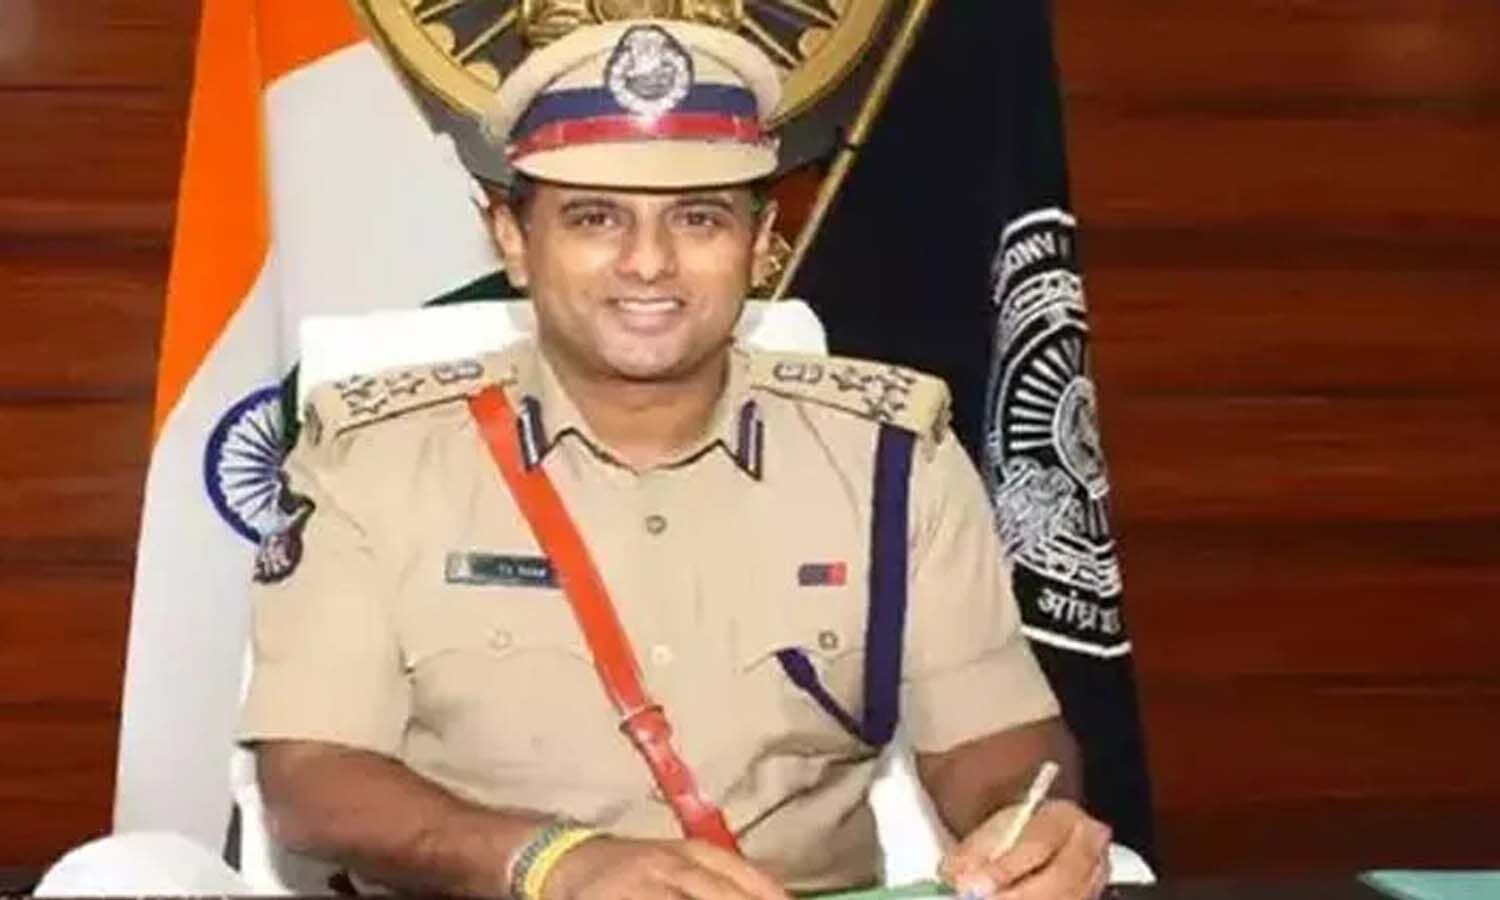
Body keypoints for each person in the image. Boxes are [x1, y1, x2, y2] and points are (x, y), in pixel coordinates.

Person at [241, 18, 1112, 900]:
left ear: (761, 241)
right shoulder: (372, 461)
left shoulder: (891, 459)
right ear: (510, 238)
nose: (649, 264)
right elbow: (312, 780)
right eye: (595, 218)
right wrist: (554, 863)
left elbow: (992, 736)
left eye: (699, 219)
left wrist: (1025, 821)